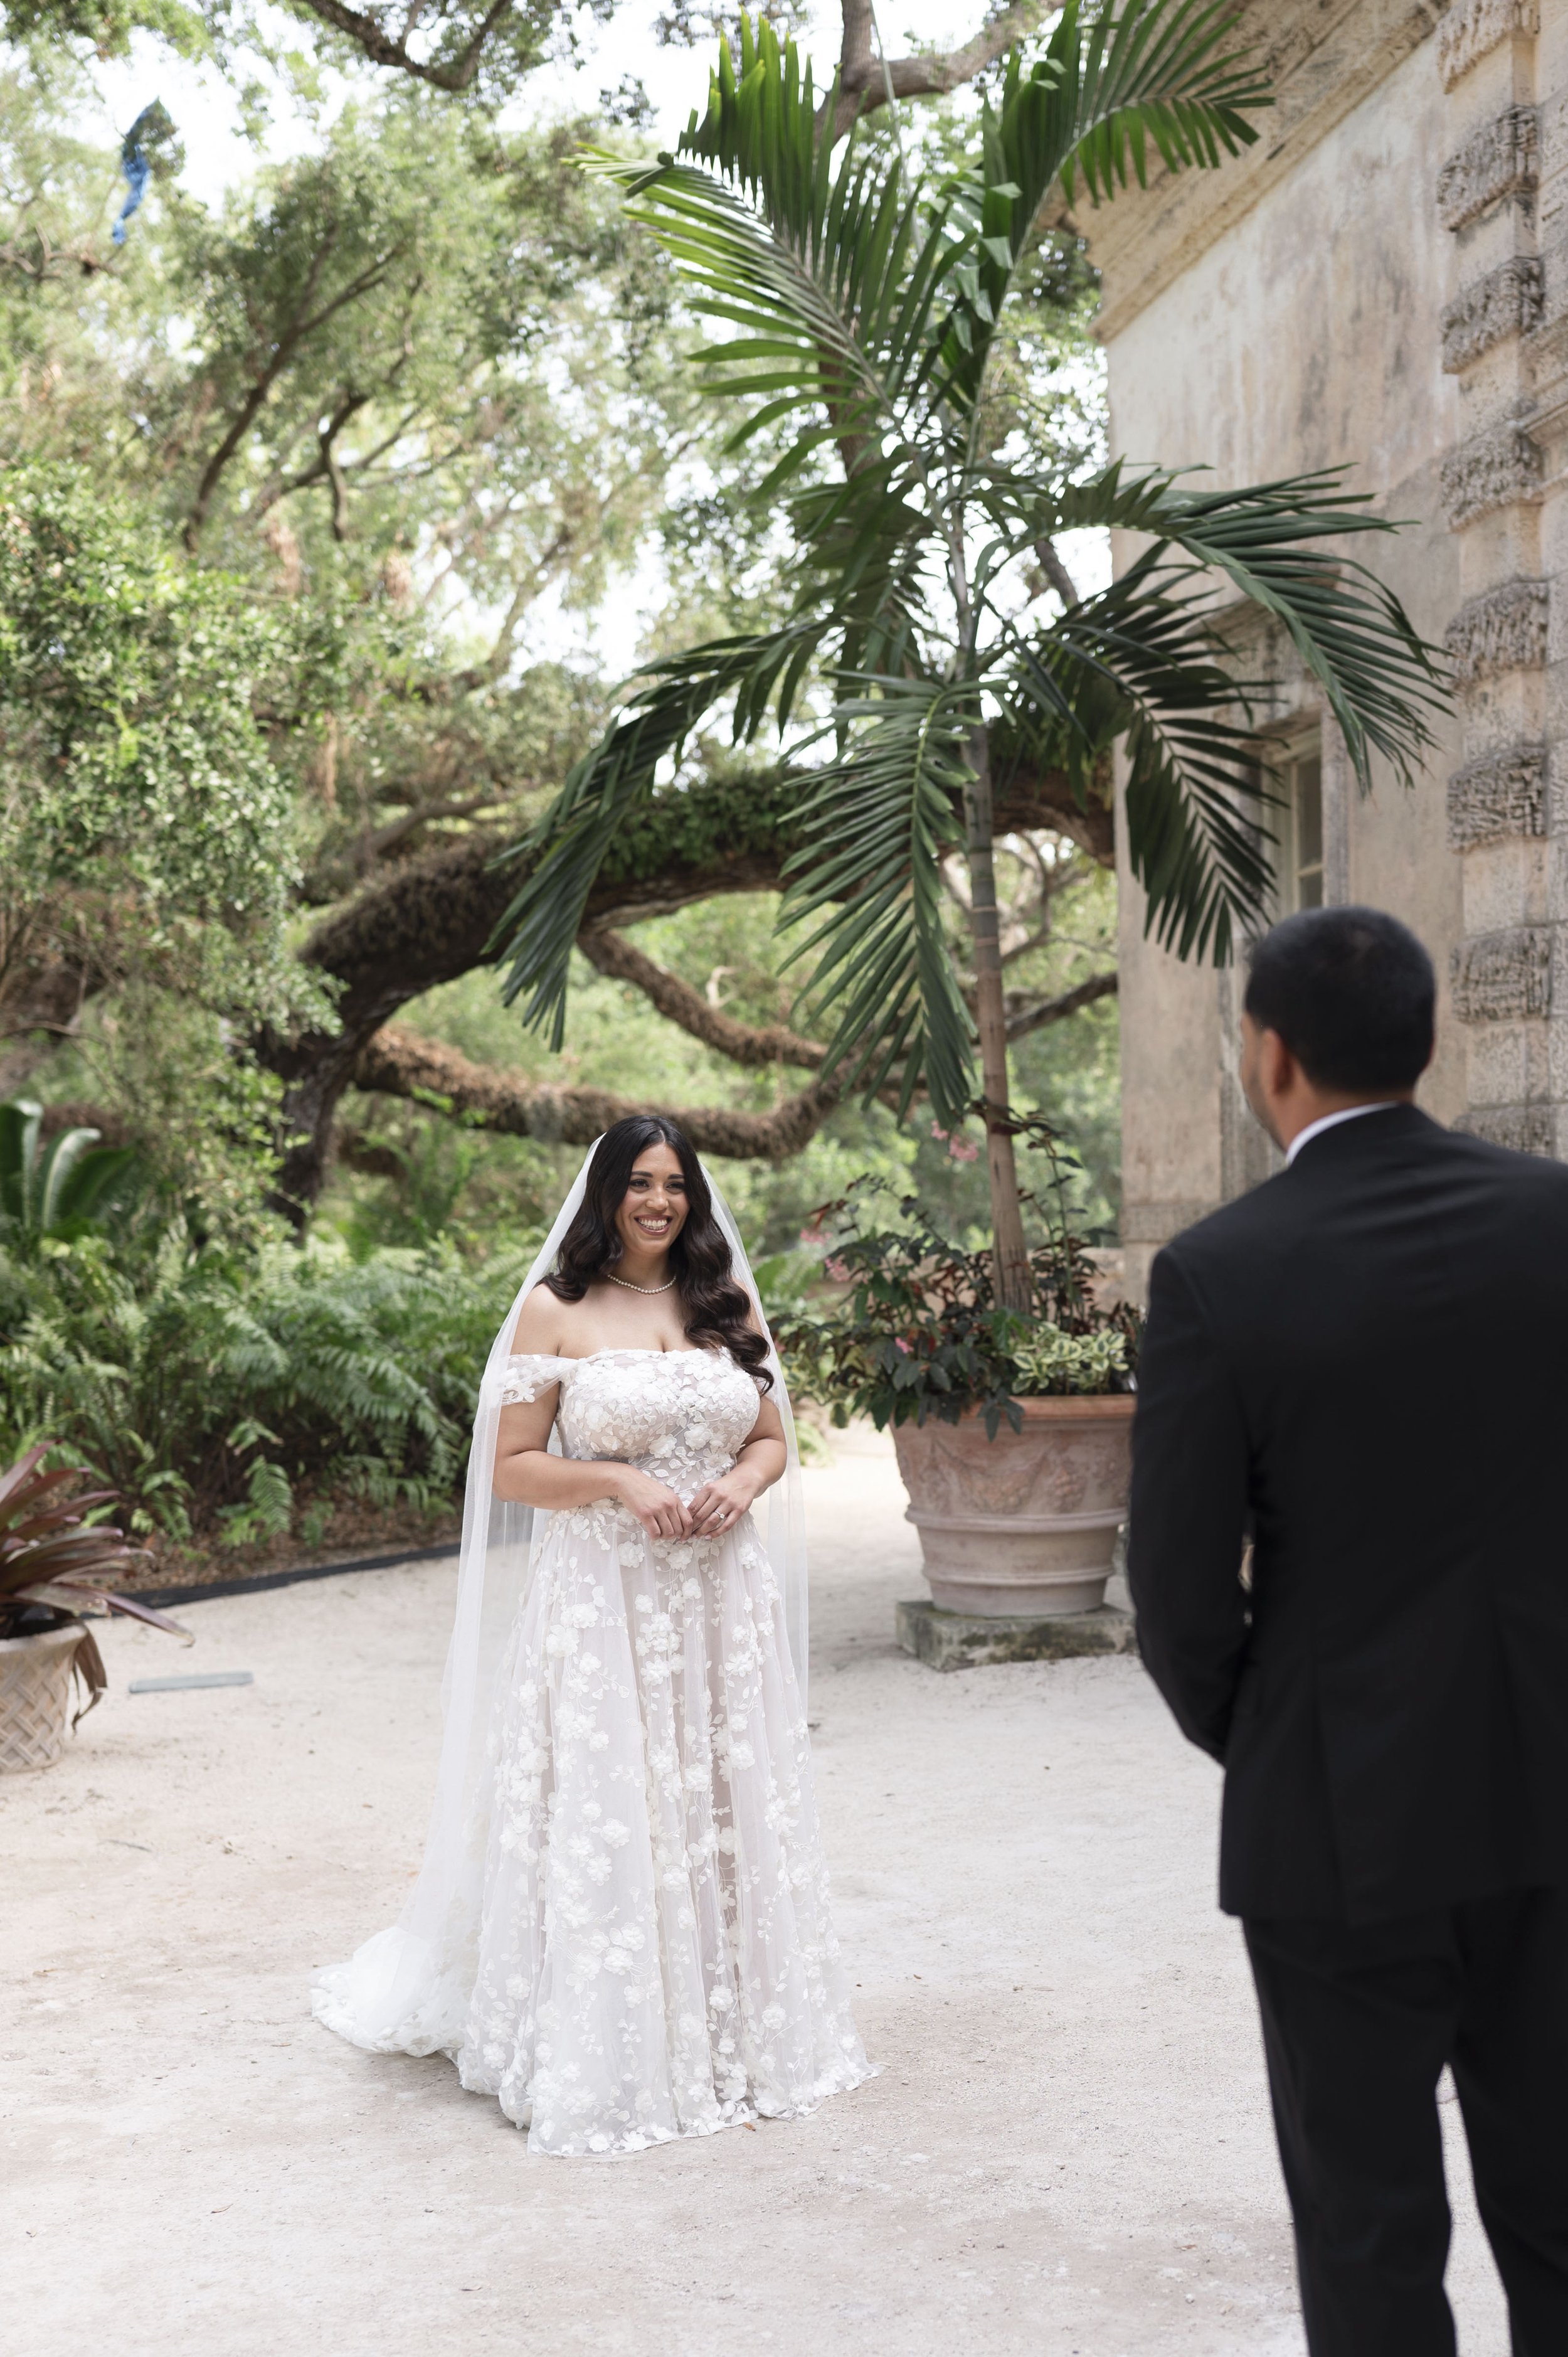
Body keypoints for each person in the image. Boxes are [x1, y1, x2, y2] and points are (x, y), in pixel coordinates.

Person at [1128, 905, 1568, 2354]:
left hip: (1338, 1817)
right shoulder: (1552, 1218)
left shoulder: (1218, 1271)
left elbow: (1178, 1600)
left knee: (1365, 2227)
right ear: (1423, 1041)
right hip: (1552, 1787)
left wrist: (1271, 1732)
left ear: (1269, 1056)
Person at [314, 1116, 871, 2154]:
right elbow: (510, 1465)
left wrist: (743, 1485)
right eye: (640, 1182)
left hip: (719, 1598)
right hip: (605, 1597)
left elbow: (770, 1437)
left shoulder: (724, 1300)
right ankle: (613, 2041)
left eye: (676, 1184)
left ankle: (735, 2028)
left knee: (721, 1795)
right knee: (616, 1803)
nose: (659, 1201)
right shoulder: (555, 1308)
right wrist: (617, 1478)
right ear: (606, 1190)